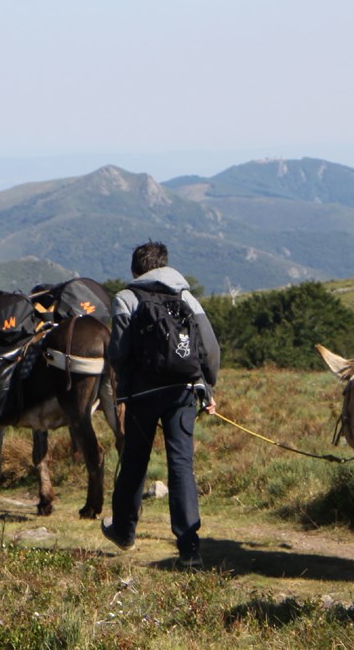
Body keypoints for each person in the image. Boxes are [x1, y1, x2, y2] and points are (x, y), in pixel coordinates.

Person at [101, 241, 221, 567]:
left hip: (141, 395)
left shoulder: (126, 298)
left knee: (134, 461)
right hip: (183, 392)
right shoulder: (186, 296)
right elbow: (209, 349)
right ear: (165, 265)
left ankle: (124, 531)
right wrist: (207, 388)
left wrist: (122, 388)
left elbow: (119, 353)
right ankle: (189, 548)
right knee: (181, 465)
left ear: (134, 269)